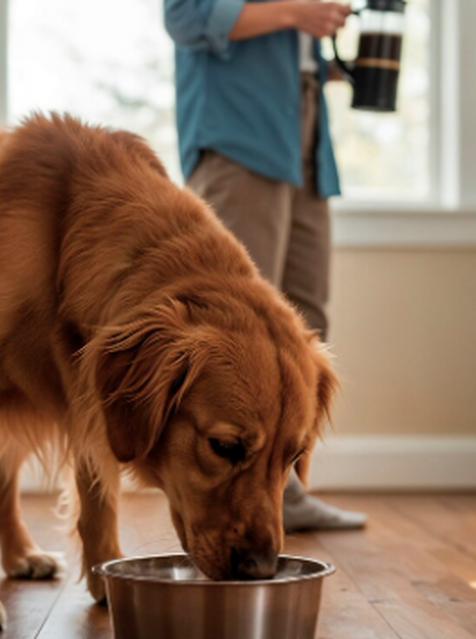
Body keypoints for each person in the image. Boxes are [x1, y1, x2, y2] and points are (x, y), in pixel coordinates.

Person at [163, 0, 366, 531]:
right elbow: (185, 17)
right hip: (240, 136)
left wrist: (327, 55)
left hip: (303, 128)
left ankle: (284, 494)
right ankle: (218, 505)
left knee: (306, 318)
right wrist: (298, 14)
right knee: (236, 324)